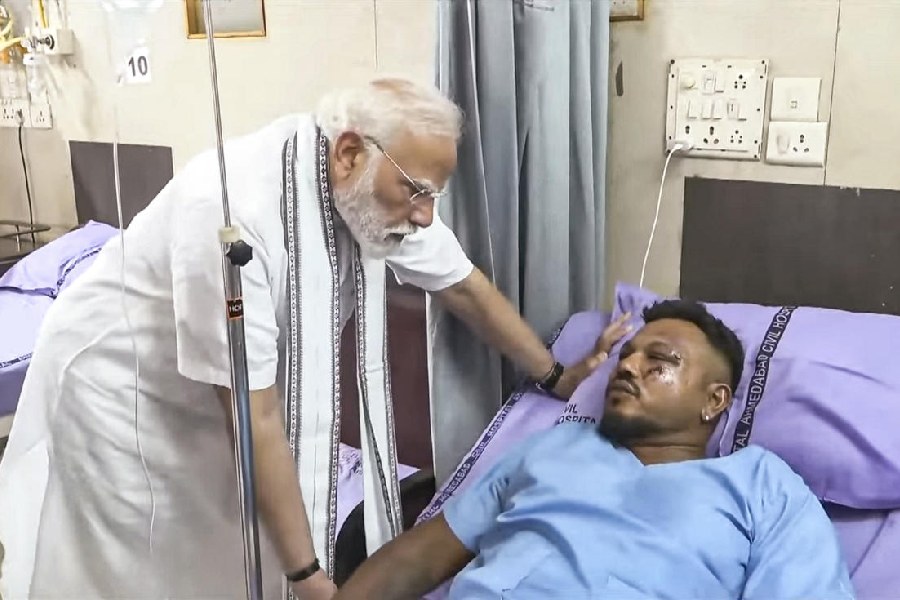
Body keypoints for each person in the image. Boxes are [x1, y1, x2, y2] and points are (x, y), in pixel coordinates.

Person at [0, 78, 613, 600]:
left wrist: (556, 375)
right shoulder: (233, 216)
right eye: (418, 193)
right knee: (135, 561)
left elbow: (464, 287)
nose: (426, 215)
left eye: (433, 196)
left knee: (229, 550)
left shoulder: (379, 195)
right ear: (348, 152)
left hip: (220, 394)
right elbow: (256, 414)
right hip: (120, 390)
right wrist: (307, 572)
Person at [335, 300, 856, 600]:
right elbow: (424, 553)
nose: (627, 367)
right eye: (625, 356)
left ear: (714, 401)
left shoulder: (763, 487)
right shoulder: (557, 445)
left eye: (660, 361)